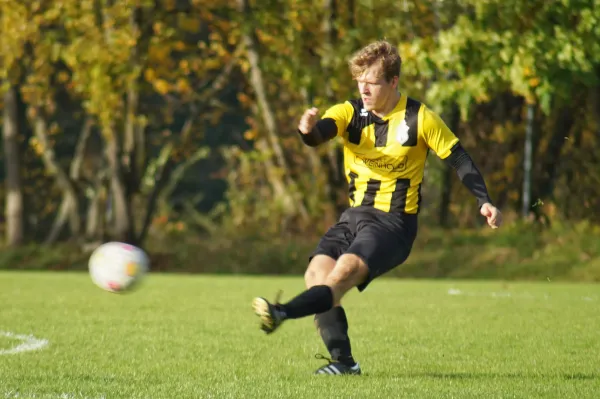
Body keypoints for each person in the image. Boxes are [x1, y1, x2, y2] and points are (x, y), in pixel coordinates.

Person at [251, 40, 502, 376]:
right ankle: (344, 363)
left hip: (393, 225)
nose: (364, 88)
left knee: (341, 275)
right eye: (359, 80)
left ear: (393, 82)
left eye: (372, 81)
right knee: (317, 277)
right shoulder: (350, 112)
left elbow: (459, 158)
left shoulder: (420, 119)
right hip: (353, 217)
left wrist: (483, 200)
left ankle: (281, 313)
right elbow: (320, 134)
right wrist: (307, 131)